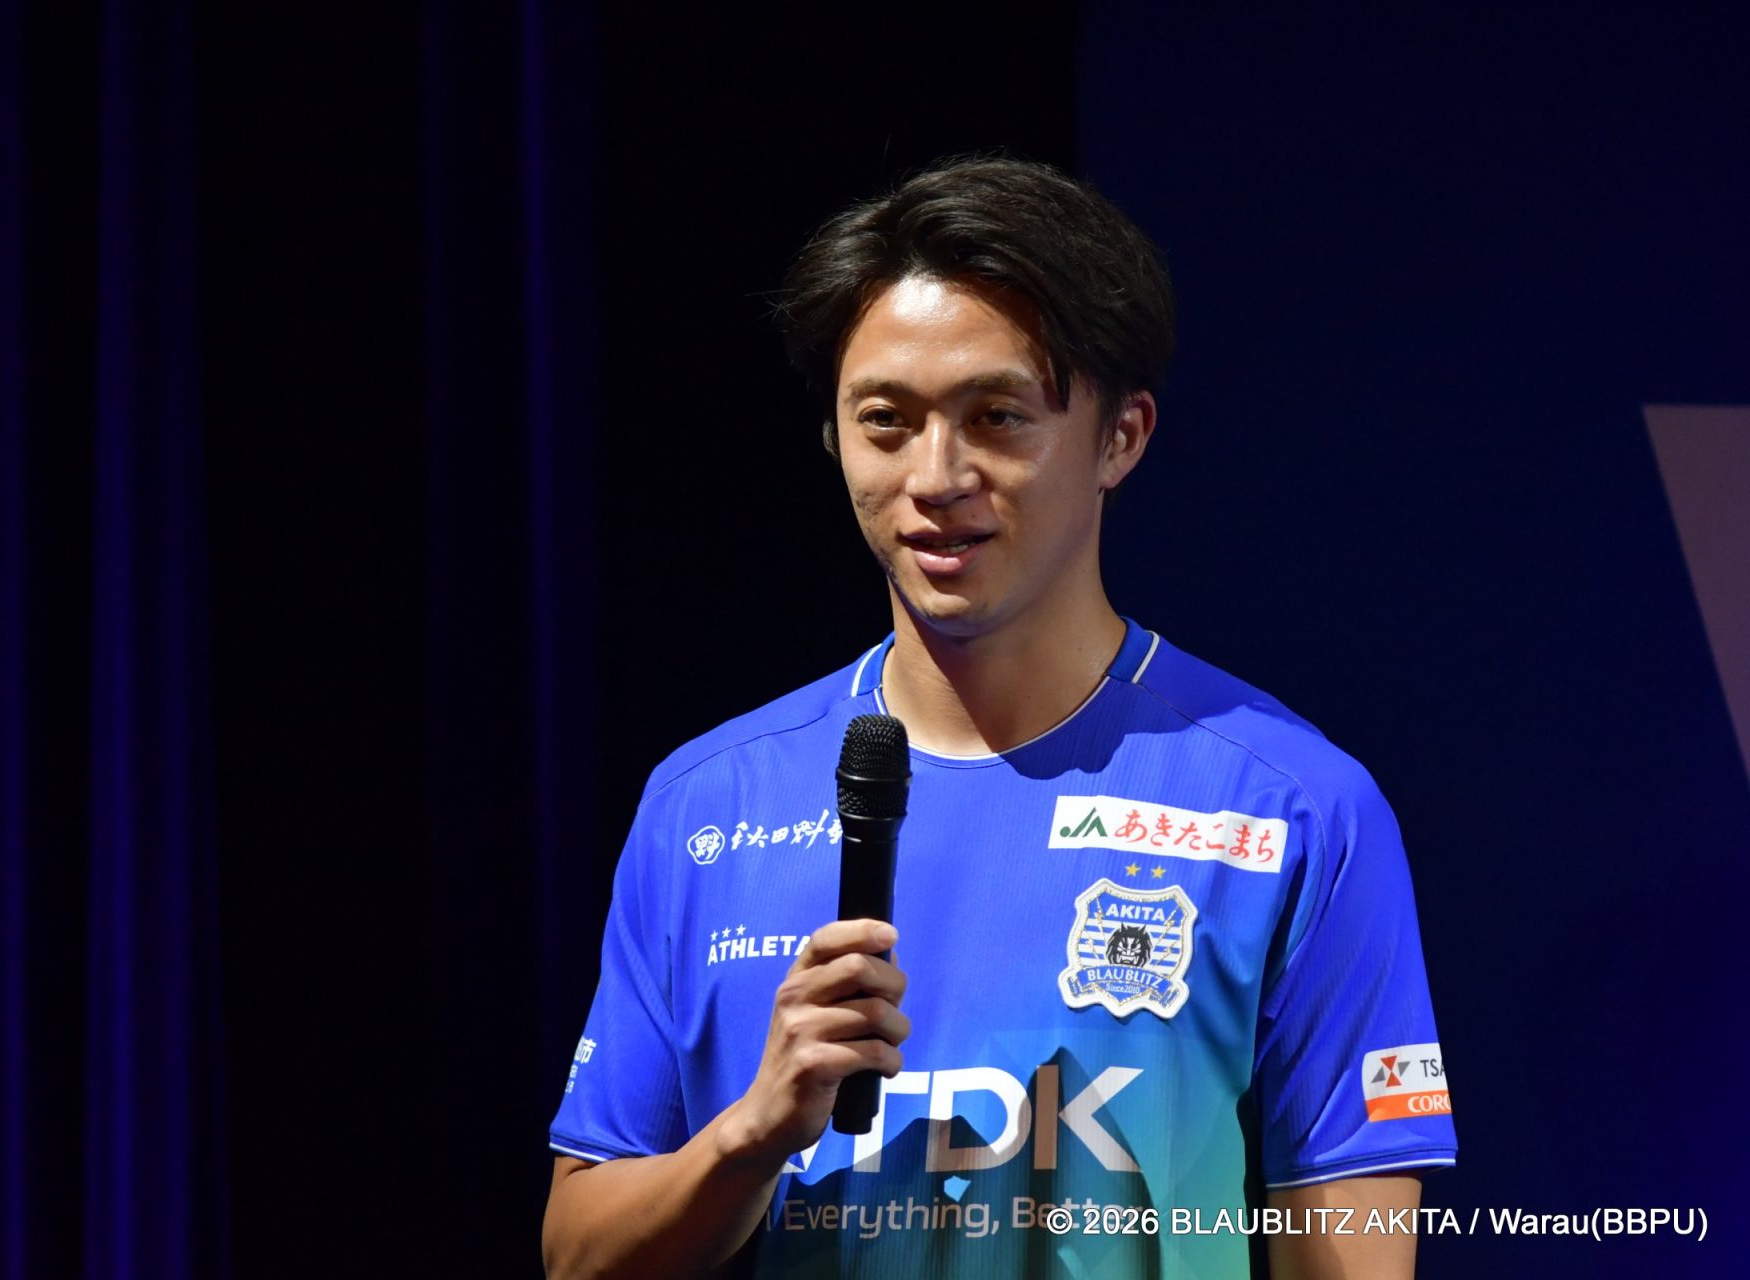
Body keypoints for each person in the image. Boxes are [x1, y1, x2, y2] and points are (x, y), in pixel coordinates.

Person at [541, 154, 1456, 1279]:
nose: (936, 475)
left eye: (997, 416)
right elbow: (577, 1254)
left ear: (1122, 436)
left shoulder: (1295, 806)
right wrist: (752, 1133)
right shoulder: (703, 805)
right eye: (885, 420)